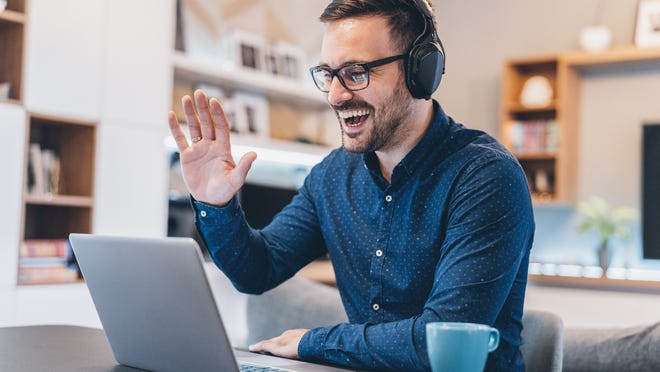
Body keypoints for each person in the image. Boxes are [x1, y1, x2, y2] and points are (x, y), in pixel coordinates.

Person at [167, 0, 534, 370]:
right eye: (329, 74)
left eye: (356, 73)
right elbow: (257, 270)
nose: (336, 95)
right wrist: (216, 205)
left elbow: (439, 341)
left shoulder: (486, 177)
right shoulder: (332, 176)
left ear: (420, 70)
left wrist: (314, 342)